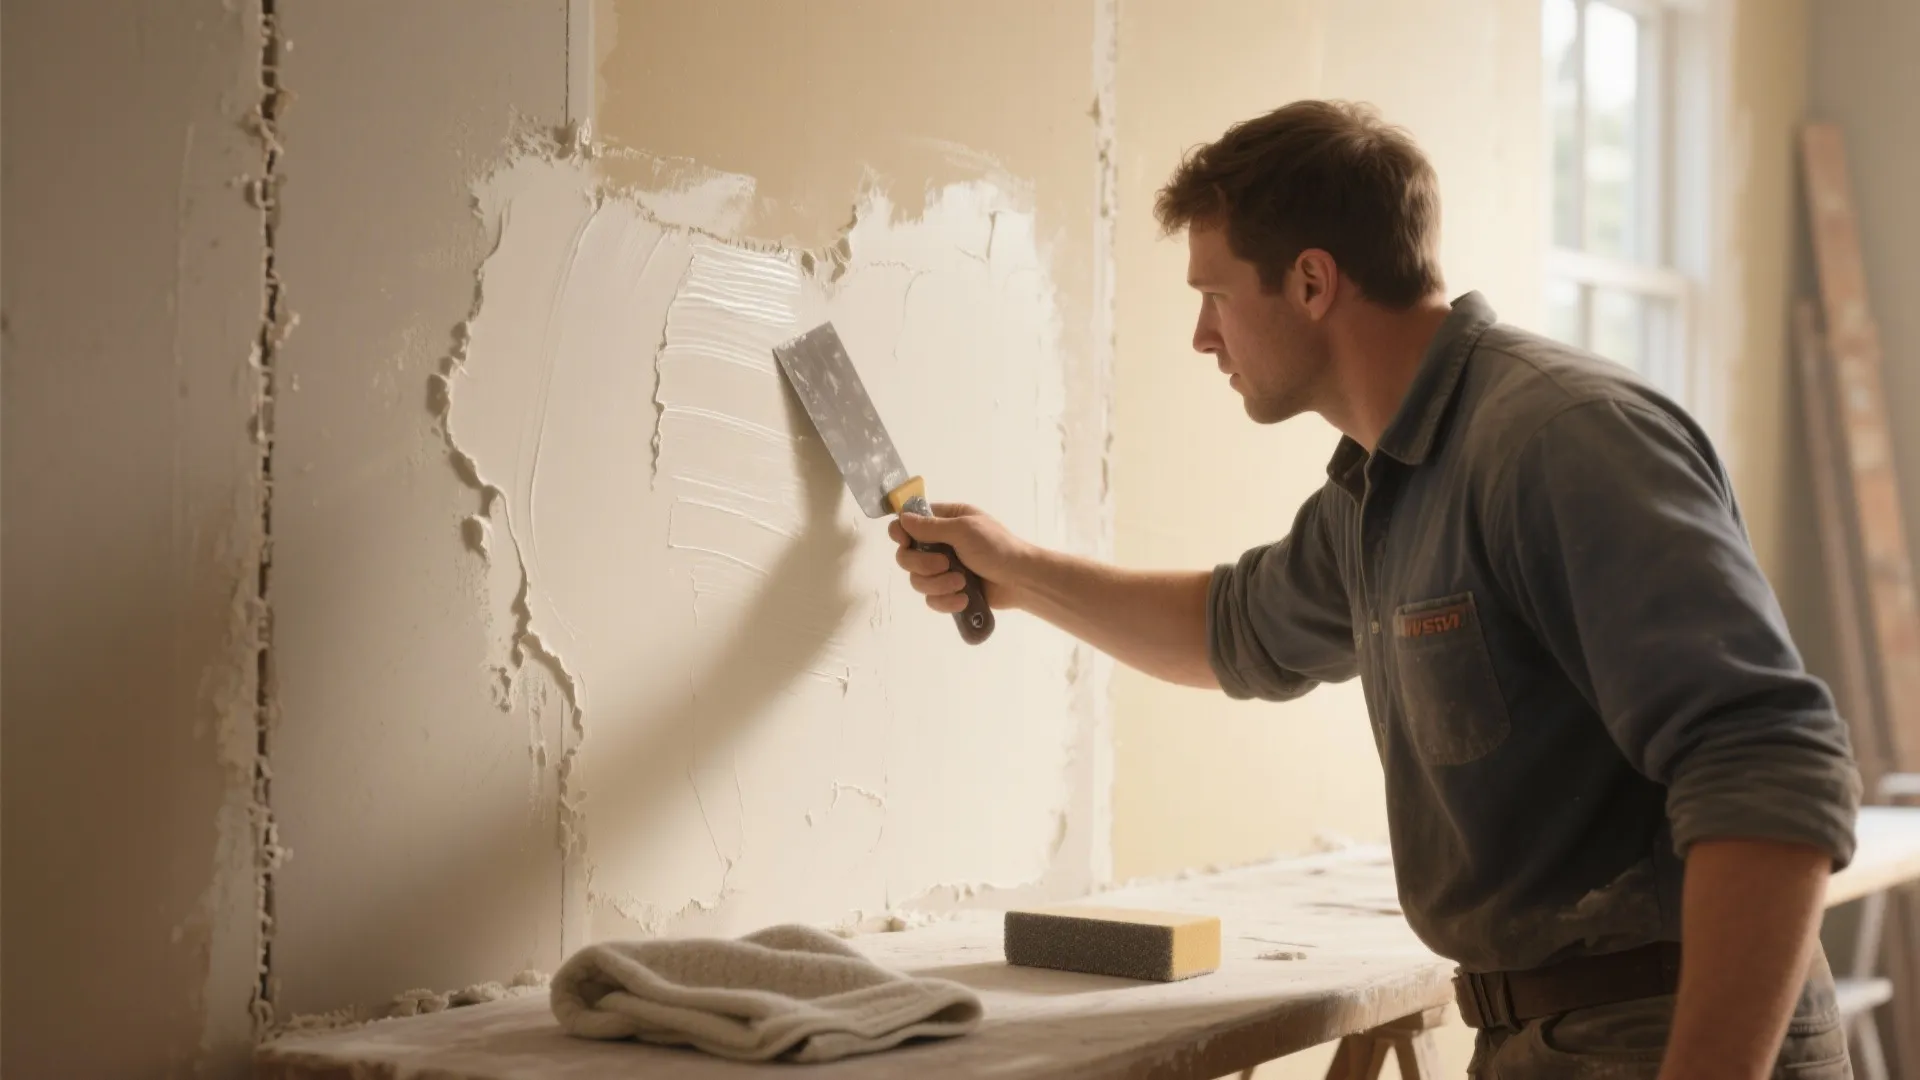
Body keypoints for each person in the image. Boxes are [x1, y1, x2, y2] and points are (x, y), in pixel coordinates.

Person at [889, 100, 1862, 1079]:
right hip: (1539, 1037)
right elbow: (1233, 630)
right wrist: (1014, 571)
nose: (1200, 335)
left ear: (1311, 281)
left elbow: (1770, 763)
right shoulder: (1382, 488)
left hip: (1669, 1033)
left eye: (1215, 294)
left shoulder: (1557, 441)